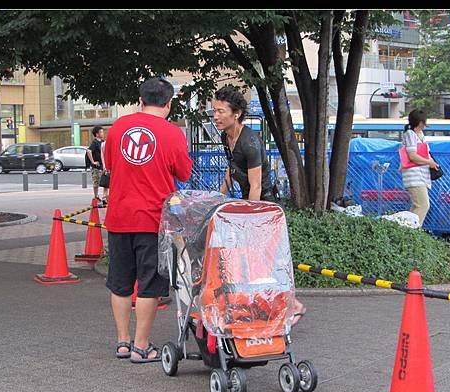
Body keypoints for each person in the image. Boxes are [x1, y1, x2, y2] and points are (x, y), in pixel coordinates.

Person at [103, 77, 193, 362]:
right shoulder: (172, 133)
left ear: (140, 100)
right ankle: (142, 347)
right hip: (153, 220)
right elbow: (184, 173)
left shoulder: (117, 129)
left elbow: (110, 165)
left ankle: (122, 342)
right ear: (168, 103)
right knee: (149, 284)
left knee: (120, 282)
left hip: (118, 216)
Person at [213, 86, 306, 327]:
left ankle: (294, 305)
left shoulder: (250, 142)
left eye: (221, 111)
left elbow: (255, 185)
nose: (216, 116)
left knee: (267, 260)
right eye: (214, 111)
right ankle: (262, 304)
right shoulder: (226, 137)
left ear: (237, 114)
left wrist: (249, 220)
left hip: (264, 206)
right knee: (254, 260)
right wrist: (217, 197)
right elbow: (231, 171)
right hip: (249, 204)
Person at [400, 109, 439, 226]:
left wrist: (430, 162)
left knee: (418, 205)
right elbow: (412, 156)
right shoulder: (410, 135)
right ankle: (412, 232)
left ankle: (407, 230)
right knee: (423, 205)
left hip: (420, 176)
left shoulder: (420, 135)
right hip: (413, 176)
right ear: (420, 122)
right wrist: (429, 162)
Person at [85, 125, 106, 201]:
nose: (103, 133)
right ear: (97, 134)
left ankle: (104, 196)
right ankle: (96, 196)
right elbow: (89, 151)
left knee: (105, 181)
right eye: (101, 132)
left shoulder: (103, 142)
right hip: (96, 167)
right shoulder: (95, 142)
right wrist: (93, 161)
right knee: (96, 182)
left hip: (103, 165)